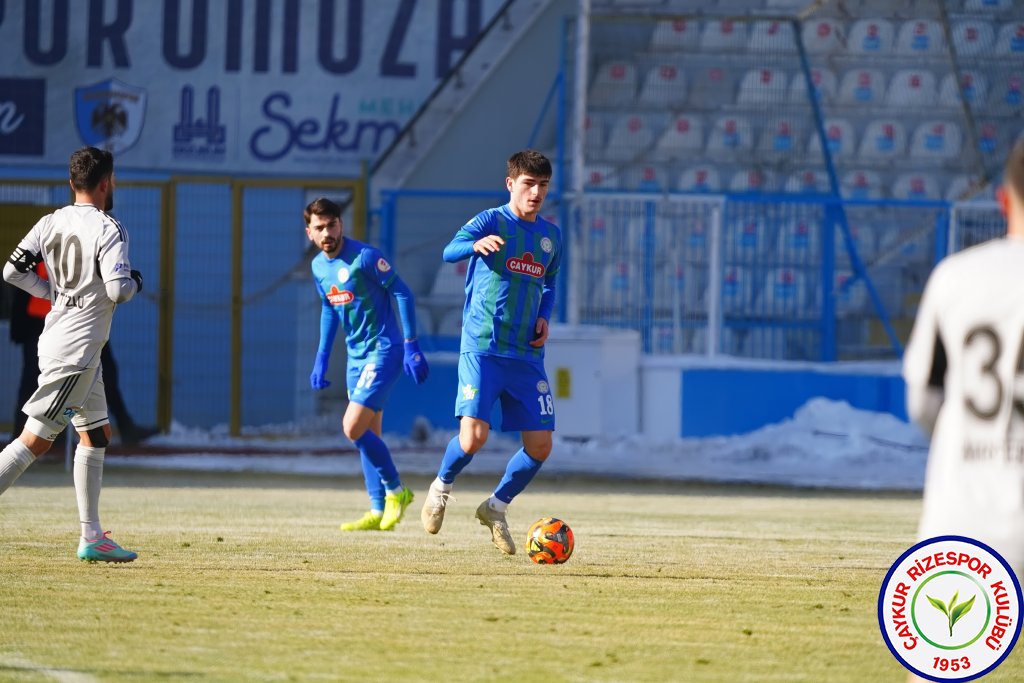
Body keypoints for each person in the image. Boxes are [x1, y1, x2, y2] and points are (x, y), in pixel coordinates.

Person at [0, 146, 143, 563]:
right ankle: (90, 535)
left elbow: (11, 270)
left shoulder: (50, 221)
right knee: (35, 441)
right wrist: (135, 281)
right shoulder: (109, 228)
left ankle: (91, 536)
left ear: (71, 183)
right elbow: (118, 290)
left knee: (96, 434)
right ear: (106, 183)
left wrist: (53, 293)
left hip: (71, 344)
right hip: (76, 352)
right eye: (112, 181)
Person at [419, 149, 562, 555]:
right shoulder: (491, 219)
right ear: (511, 184)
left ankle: (495, 508)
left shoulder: (551, 236)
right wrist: (475, 244)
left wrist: (544, 317)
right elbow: (449, 250)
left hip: (526, 355)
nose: (536, 192)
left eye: (543, 185)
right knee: (474, 437)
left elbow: (549, 283)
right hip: (483, 347)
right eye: (528, 184)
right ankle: (442, 486)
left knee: (540, 446)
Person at [903, 137, 1024, 582]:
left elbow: (923, 403)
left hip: (963, 524)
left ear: (1003, 199)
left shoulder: (955, 277)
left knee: (957, 647)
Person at [305, 197, 428, 531]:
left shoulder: (366, 257)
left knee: (351, 427)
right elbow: (330, 309)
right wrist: (322, 358)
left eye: (332, 224)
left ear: (341, 224)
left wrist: (411, 345)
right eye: (320, 227)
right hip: (356, 358)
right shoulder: (318, 267)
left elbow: (402, 293)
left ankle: (396, 491)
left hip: (384, 350)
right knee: (367, 435)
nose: (327, 232)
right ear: (310, 233)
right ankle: (376, 509)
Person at [8, 263, 158, 446]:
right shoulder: (46, 241)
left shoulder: (89, 243)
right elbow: (18, 273)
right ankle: (23, 434)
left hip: (81, 318)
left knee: (103, 374)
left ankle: (122, 427)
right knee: (33, 380)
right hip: (44, 322)